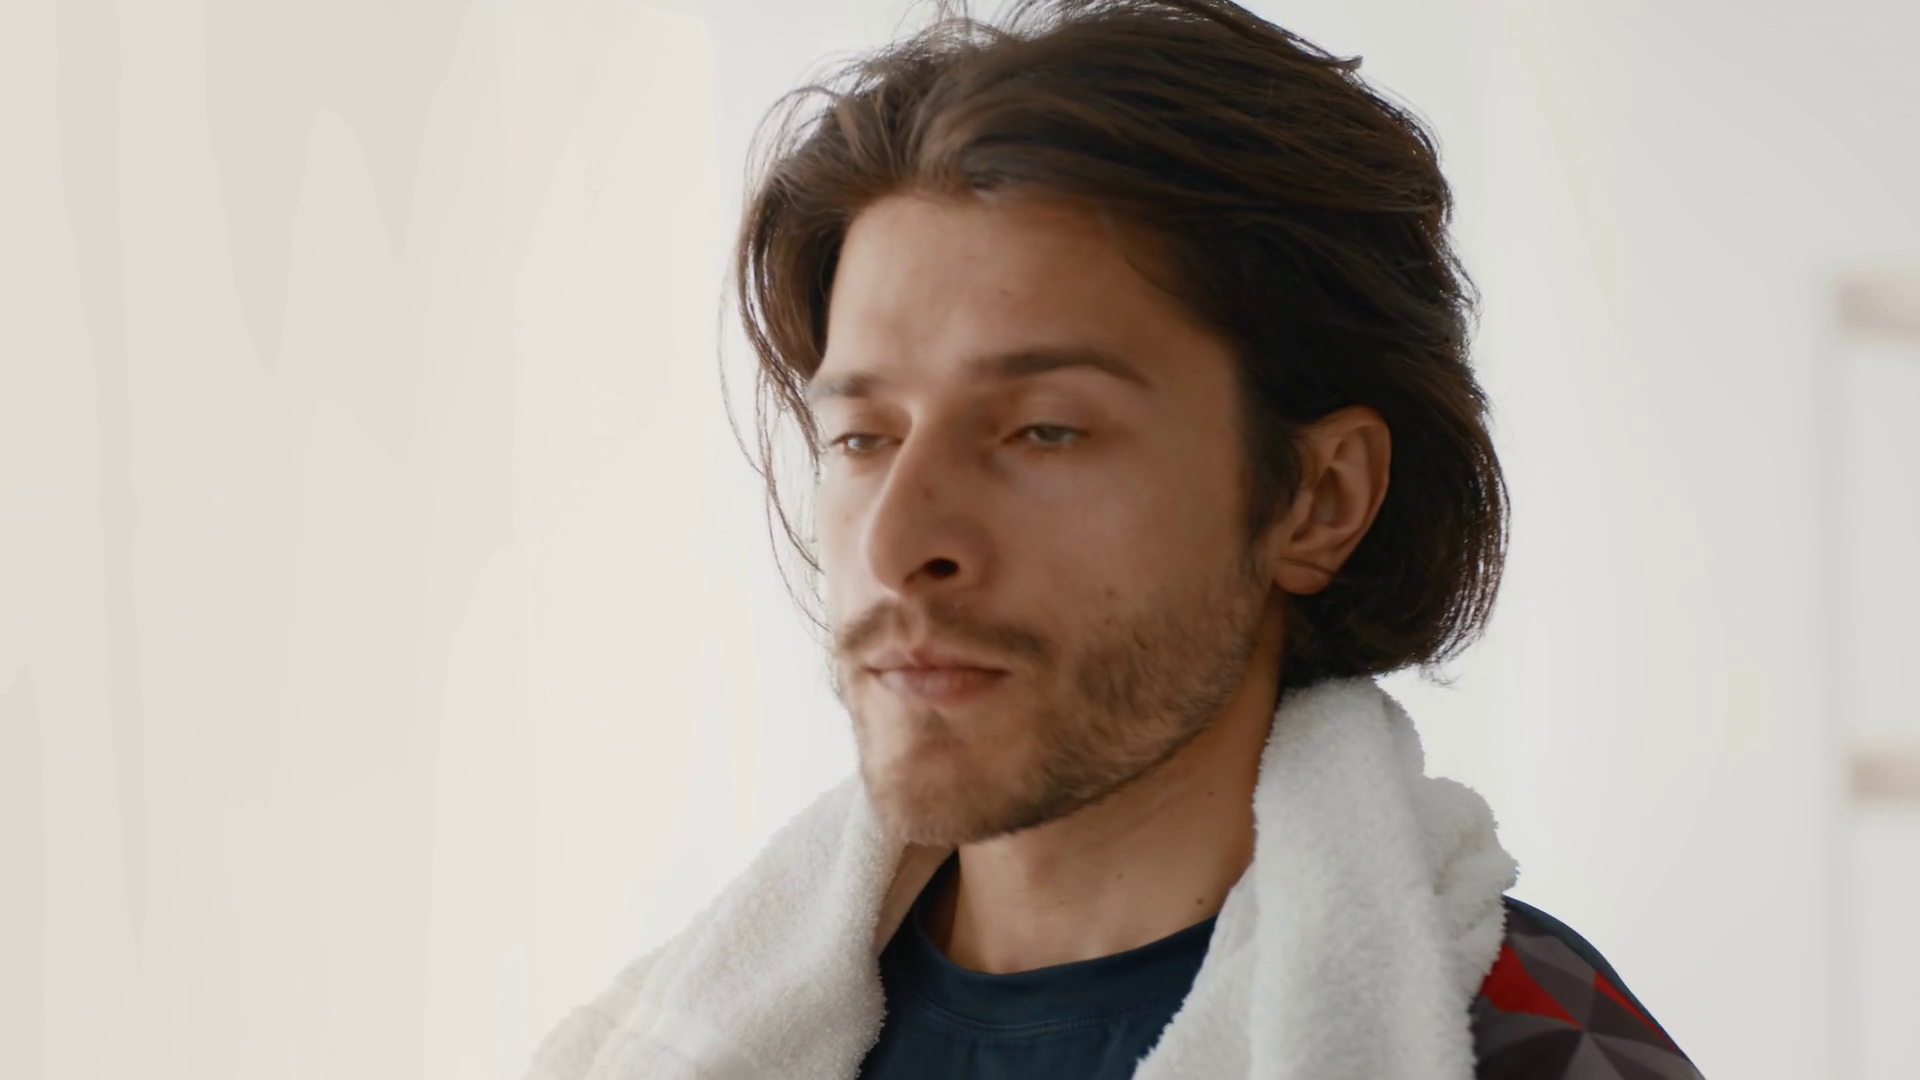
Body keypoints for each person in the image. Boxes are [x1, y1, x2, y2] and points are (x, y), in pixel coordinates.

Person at [525, 1, 1701, 1077]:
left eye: (1044, 430)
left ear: (1319, 499)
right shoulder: (665, 1040)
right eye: (862, 437)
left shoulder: (1535, 1047)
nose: (897, 543)